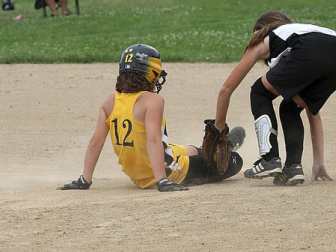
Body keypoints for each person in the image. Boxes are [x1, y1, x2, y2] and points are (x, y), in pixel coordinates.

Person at [60, 44, 244, 192]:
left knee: (192, 150)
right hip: (166, 172)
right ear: (151, 73)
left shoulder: (109, 101)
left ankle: (213, 145)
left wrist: (84, 180)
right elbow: (153, 141)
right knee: (234, 161)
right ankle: (227, 145)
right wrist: (162, 181)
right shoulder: (153, 101)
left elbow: (95, 142)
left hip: (137, 174)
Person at [214, 11, 336, 185]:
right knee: (291, 107)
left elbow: (226, 89)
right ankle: (293, 168)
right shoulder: (300, 33)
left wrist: (219, 128)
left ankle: (270, 159)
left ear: (260, 31)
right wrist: (319, 161)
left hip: (309, 49)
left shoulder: (265, 37)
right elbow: (312, 111)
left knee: (259, 92)